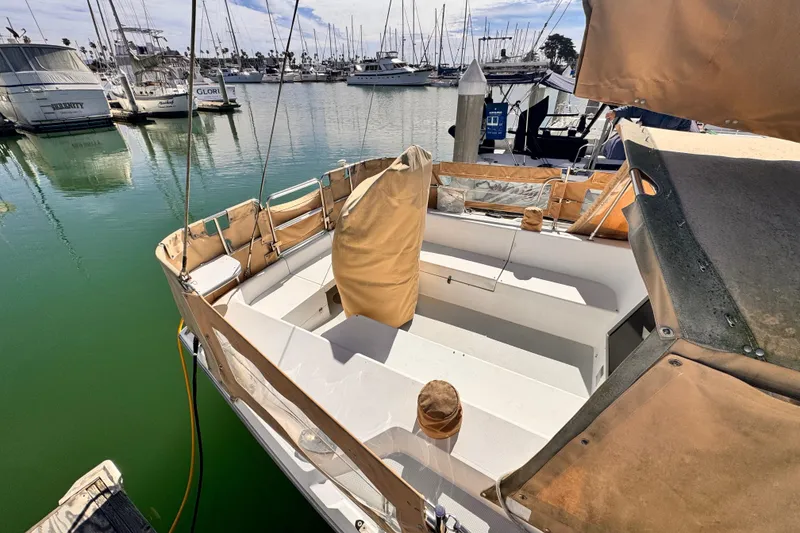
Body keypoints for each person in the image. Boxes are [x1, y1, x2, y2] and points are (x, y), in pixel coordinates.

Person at [602, 106, 697, 159]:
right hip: (643, 139)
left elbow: (683, 133)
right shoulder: (653, 105)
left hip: (663, 147)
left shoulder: (683, 114)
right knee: (617, 148)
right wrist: (615, 112)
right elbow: (632, 109)